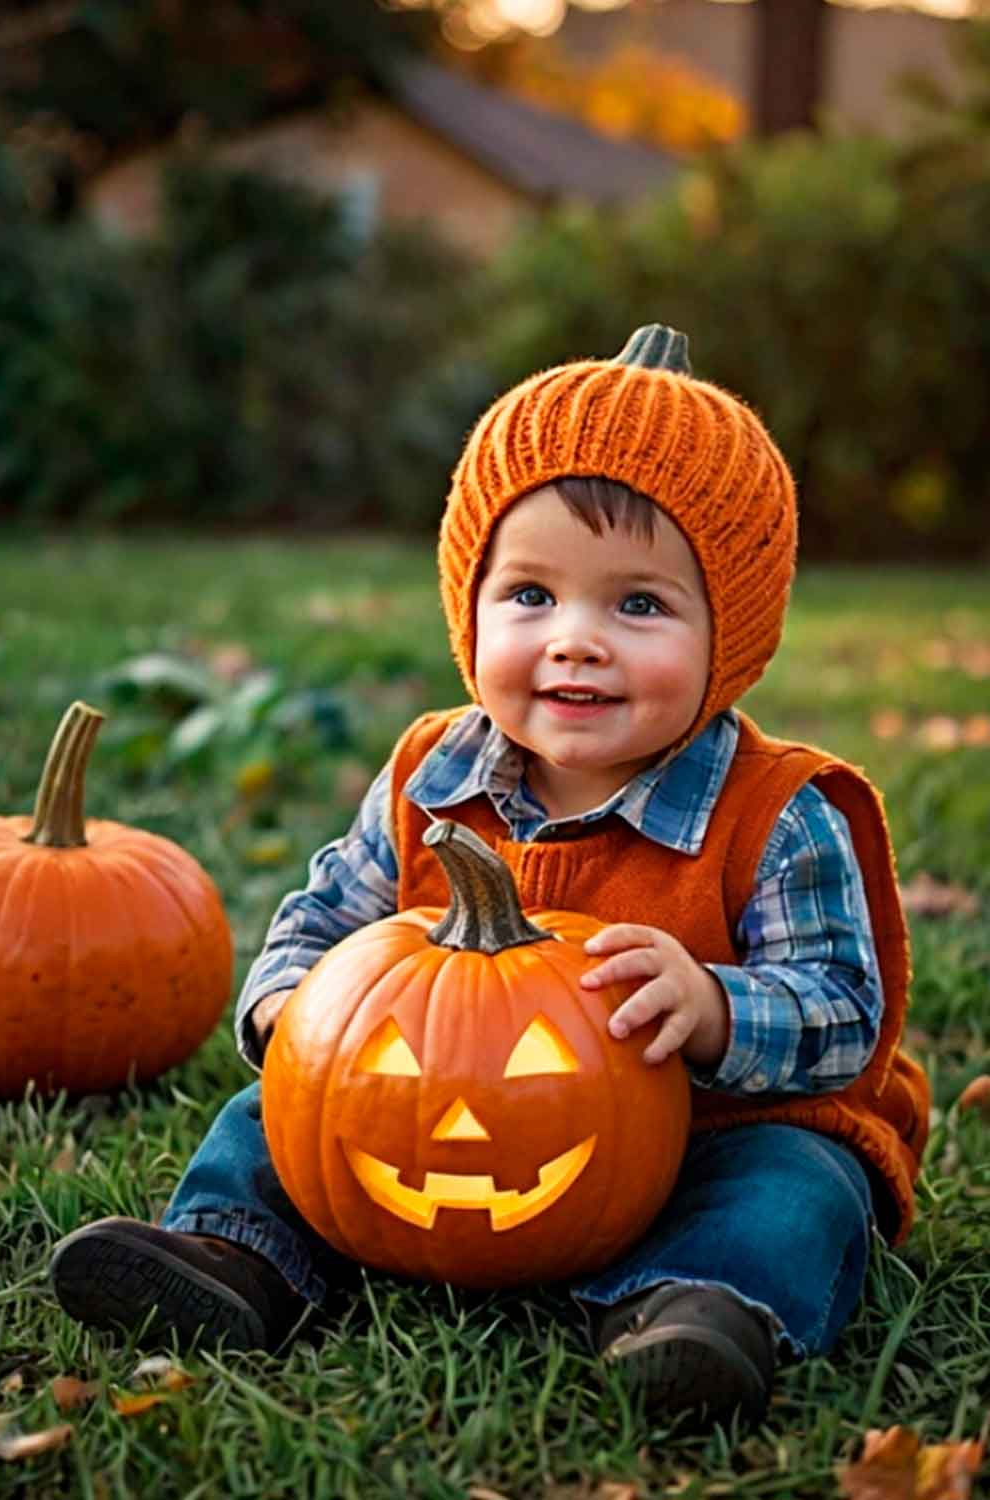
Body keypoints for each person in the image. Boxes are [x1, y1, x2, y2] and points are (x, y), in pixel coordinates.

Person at [50, 323, 929, 1428]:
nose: (575, 640)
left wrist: (713, 1009)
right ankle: (235, 1259)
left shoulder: (779, 814)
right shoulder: (432, 774)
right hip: (425, 1113)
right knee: (272, 1118)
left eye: (639, 605)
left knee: (798, 1188)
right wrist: (291, 1009)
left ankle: (697, 1310)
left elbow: (847, 1012)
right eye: (530, 595)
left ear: (733, 631)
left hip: (717, 1131)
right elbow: (325, 916)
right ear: (468, 604)